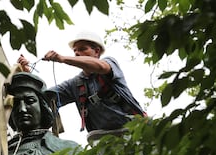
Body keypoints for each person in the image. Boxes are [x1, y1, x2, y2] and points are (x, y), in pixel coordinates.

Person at [18, 30, 146, 132]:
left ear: (97, 51)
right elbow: (44, 96)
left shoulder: (109, 63)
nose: (77, 53)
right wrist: (27, 73)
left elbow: (101, 67)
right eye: (75, 51)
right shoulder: (75, 84)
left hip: (134, 130)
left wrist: (62, 59)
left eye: (82, 49)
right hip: (103, 140)